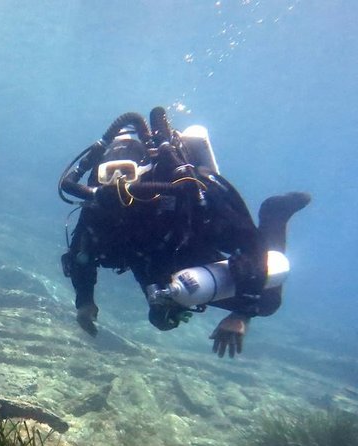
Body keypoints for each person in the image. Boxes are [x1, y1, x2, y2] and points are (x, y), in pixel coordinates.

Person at [58, 107, 309, 358]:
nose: (118, 188)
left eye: (126, 178)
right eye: (108, 180)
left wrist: (242, 313)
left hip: (190, 240)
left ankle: (274, 214)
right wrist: (85, 302)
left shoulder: (188, 192)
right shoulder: (98, 205)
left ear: (146, 172)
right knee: (161, 319)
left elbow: (249, 244)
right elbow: (82, 253)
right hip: (152, 259)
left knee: (266, 303)